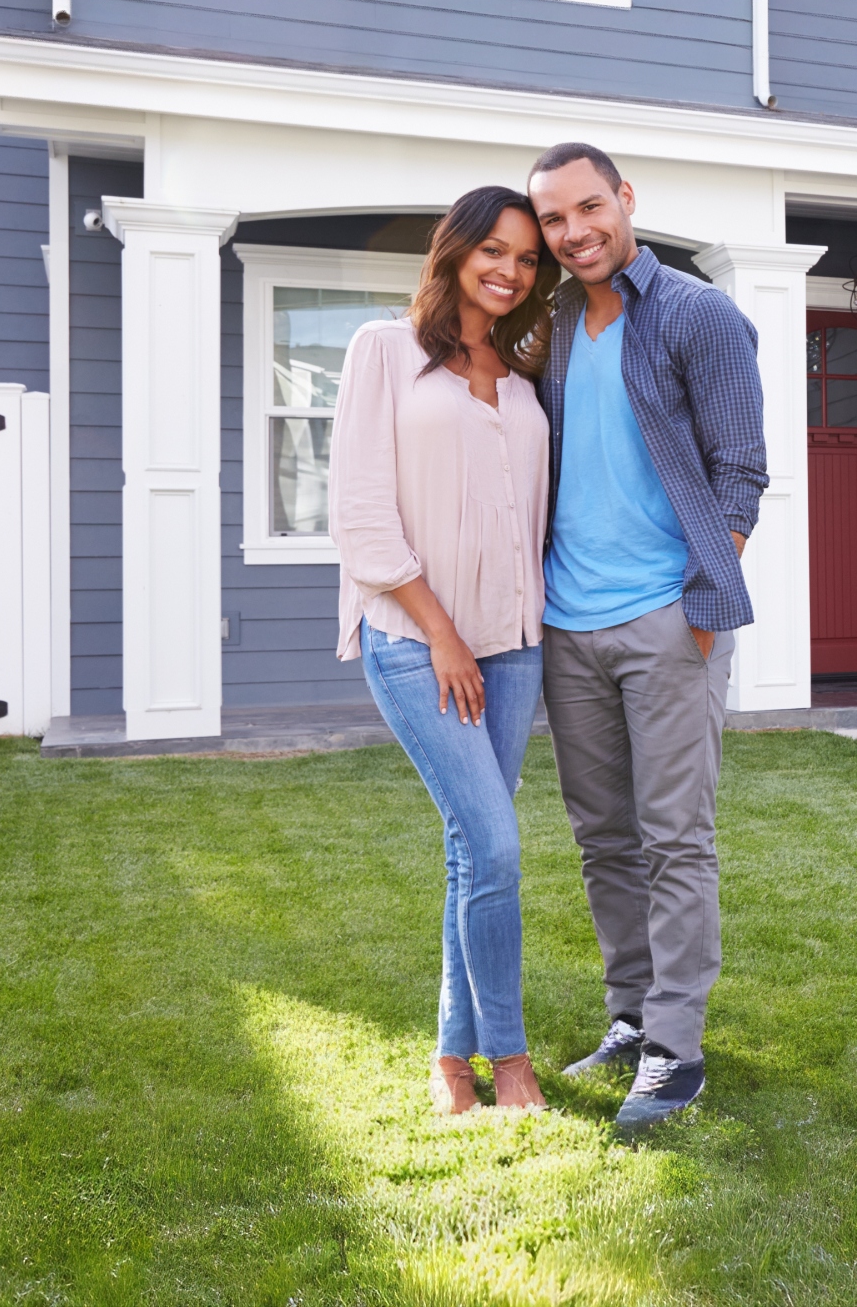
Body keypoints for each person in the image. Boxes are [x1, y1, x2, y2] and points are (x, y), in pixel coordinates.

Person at [526, 141, 766, 1132]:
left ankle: (676, 1047)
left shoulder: (696, 314)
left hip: (666, 619)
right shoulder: (549, 328)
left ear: (625, 199)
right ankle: (629, 1016)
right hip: (566, 624)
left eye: (589, 207)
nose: (575, 232)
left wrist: (700, 599)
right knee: (602, 840)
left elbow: (741, 468)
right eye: (553, 219)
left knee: (675, 837)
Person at [330, 186, 560, 1115]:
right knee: (495, 843)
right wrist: (441, 632)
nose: (509, 270)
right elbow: (360, 515)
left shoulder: (524, 372)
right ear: (455, 250)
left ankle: (448, 1061)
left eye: (527, 258)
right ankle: (509, 1060)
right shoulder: (383, 351)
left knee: (476, 851)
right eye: (493, 251)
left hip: (513, 647)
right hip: (418, 644)